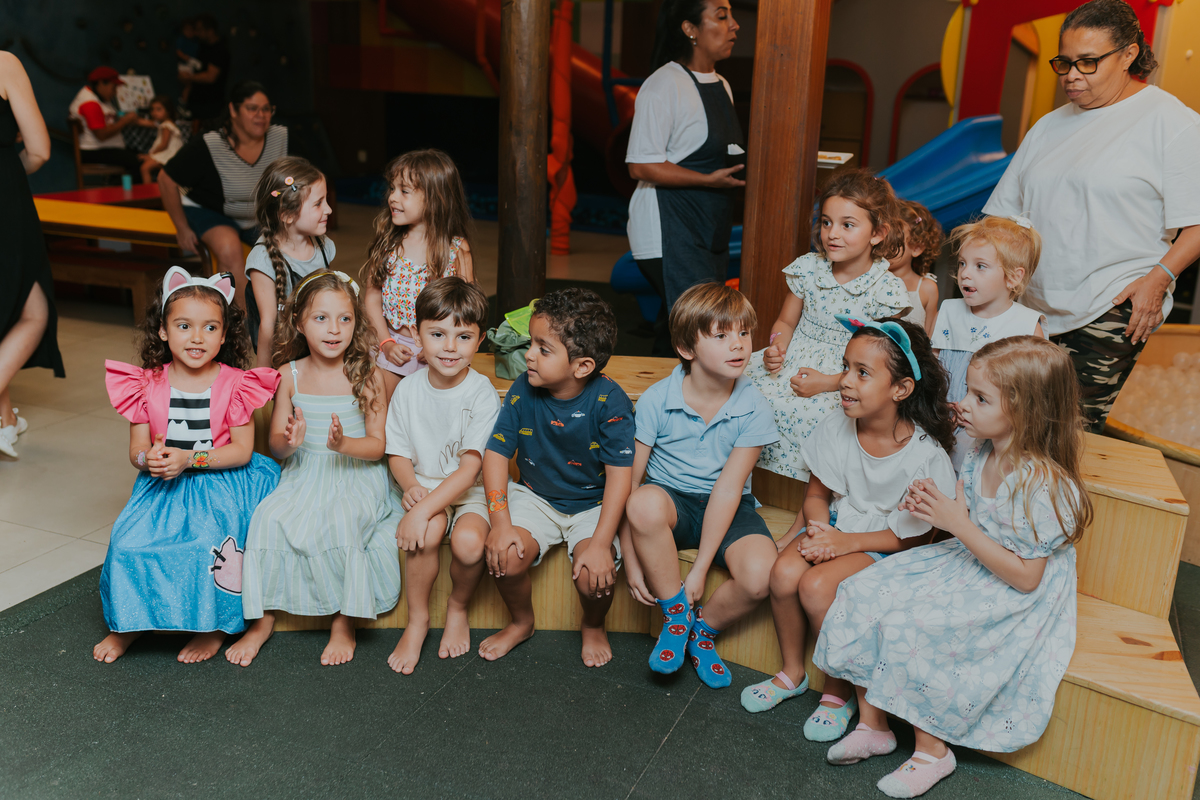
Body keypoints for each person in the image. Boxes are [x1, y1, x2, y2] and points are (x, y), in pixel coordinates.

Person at [813, 336, 1092, 798]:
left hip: (1009, 585)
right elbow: (962, 515)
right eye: (968, 391)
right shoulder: (982, 452)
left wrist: (955, 523)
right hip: (968, 560)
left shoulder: (1044, 485)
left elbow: (1026, 577)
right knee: (863, 590)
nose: (963, 405)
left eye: (980, 398)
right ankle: (874, 724)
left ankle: (933, 750)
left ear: (1025, 410)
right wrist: (933, 506)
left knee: (916, 624)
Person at [982, 0, 1200, 432]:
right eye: (1064, 63)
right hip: (1032, 307)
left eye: (1088, 63)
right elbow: (1002, 217)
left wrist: (1156, 281)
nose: (1072, 76)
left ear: (1128, 55)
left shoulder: (1173, 123)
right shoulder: (1048, 126)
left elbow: (1196, 225)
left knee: (1065, 434)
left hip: (1111, 304)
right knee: (1007, 425)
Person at [741, 317, 956, 738]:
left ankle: (836, 691)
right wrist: (820, 533)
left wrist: (841, 545)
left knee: (817, 587)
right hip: (839, 528)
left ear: (901, 389)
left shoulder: (923, 457)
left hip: (888, 545)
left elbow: (908, 536)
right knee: (783, 573)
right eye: (845, 368)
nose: (845, 382)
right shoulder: (836, 427)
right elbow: (817, 496)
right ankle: (792, 672)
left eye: (862, 373)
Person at [94, 268, 281, 664]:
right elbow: (137, 452)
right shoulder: (144, 384)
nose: (197, 337)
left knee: (206, 545)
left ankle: (212, 626)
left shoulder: (235, 383)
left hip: (223, 482)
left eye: (209, 327)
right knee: (127, 544)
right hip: (162, 485)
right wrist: (152, 460)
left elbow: (242, 451)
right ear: (162, 331)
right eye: (183, 325)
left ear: (224, 335)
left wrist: (189, 458)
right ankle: (130, 624)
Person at [230, 271, 400, 668]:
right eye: (321, 318)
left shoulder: (367, 374)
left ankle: (344, 619)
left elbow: (378, 446)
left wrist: (343, 444)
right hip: (305, 471)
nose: (334, 329)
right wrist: (289, 440)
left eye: (345, 318)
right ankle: (262, 617)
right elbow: (275, 445)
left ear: (356, 323)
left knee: (341, 520)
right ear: (300, 323)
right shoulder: (289, 376)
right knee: (267, 519)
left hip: (355, 473)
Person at [623, 283, 779, 689]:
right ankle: (676, 616)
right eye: (721, 335)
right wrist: (630, 554)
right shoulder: (657, 399)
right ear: (687, 349)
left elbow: (729, 490)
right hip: (671, 500)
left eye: (744, 332)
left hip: (728, 507)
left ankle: (701, 632)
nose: (739, 345)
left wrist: (699, 572)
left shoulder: (754, 405)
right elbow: (631, 480)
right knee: (643, 503)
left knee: (762, 574)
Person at [480, 289, 635, 666]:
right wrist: (500, 523)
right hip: (537, 498)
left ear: (581, 367)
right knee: (505, 555)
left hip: (593, 505)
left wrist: (600, 543)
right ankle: (522, 622)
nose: (529, 354)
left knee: (593, 578)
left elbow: (620, 479)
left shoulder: (610, 401)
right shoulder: (522, 389)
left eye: (543, 348)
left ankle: (593, 625)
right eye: (531, 343)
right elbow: (497, 454)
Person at [743, 169, 910, 481]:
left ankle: (808, 492)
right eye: (826, 222)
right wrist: (777, 346)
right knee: (748, 395)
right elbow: (785, 321)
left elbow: (884, 361)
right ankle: (750, 482)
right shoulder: (809, 269)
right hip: (794, 359)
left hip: (849, 374)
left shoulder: (884, 289)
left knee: (821, 416)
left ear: (877, 233)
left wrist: (829, 382)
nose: (833, 233)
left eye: (847, 225)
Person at [385, 278, 499, 674]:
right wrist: (412, 488)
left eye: (463, 336)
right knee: (426, 534)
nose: (450, 347)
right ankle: (417, 620)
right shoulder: (408, 390)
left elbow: (470, 470)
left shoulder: (482, 393)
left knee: (468, 545)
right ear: (418, 334)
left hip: (468, 492)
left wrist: (421, 509)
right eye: (437, 334)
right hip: (424, 486)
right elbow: (397, 454)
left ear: (479, 341)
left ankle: (457, 606)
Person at [625, 0, 745, 356]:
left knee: (681, 329)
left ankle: (662, 405)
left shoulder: (722, 83)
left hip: (708, 230)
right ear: (690, 29)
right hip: (668, 230)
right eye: (722, 16)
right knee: (699, 329)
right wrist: (708, 181)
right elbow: (641, 165)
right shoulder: (663, 84)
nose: (734, 25)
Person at [160, 81, 289, 303]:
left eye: (266, 109)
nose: (261, 115)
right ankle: (243, 328)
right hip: (209, 210)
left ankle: (285, 318)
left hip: (256, 215)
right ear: (233, 110)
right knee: (229, 248)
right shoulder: (211, 143)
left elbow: (299, 179)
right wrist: (181, 228)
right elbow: (165, 179)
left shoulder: (280, 137)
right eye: (252, 108)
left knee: (292, 246)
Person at [933, 216, 1046, 468]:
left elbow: (1033, 396)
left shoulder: (1027, 326)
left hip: (992, 436)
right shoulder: (948, 312)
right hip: (942, 422)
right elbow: (932, 369)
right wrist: (939, 406)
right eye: (962, 263)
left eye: (980, 266)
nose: (965, 274)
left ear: (1013, 277)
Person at [362, 149, 475, 399]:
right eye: (392, 189)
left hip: (441, 352)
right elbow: (372, 297)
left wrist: (440, 346)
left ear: (435, 198)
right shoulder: (388, 246)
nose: (392, 197)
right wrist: (385, 343)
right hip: (393, 350)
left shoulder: (456, 250)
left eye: (404, 191)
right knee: (383, 410)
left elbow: (466, 310)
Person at [0, 52, 61, 459]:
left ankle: (4, 422)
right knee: (32, 309)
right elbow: (38, 149)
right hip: (4, 197)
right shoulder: (3, 63)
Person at [246, 156, 334, 366]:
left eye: (326, 200)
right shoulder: (263, 260)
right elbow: (267, 326)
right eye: (318, 204)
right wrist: (263, 377)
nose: (329, 209)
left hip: (318, 344)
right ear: (287, 215)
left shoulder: (324, 247)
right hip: (285, 352)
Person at [69, 66, 154, 176]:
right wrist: (124, 121)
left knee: (143, 154)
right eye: (113, 88)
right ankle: (139, 192)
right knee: (139, 162)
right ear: (101, 84)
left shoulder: (101, 98)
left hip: (105, 148)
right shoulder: (90, 103)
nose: (115, 92)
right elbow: (101, 135)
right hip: (94, 151)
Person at [891, 201, 942, 337]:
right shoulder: (868, 278)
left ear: (916, 248)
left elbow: (928, 339)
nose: (885, 245)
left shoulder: (926, 288)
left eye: (895, 241)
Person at [181, 14, 231, 126]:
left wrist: (189, 77)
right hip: (197, 102)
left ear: (210, 30)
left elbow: (210, 77)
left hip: (211, 105)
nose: (197, 34)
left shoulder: (220, 50)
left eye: (199, 30)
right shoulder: (201, 47)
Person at [138, 95, 184, 185]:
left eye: (158, 109)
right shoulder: (166, 124)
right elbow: (148, 123)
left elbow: (164, 145)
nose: (154, 112)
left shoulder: (166, 125)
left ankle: (149, 194)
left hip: (169, 154)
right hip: (169, 154)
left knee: (144, 168)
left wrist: (150, 155)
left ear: (168, 110)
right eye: (152, 109)